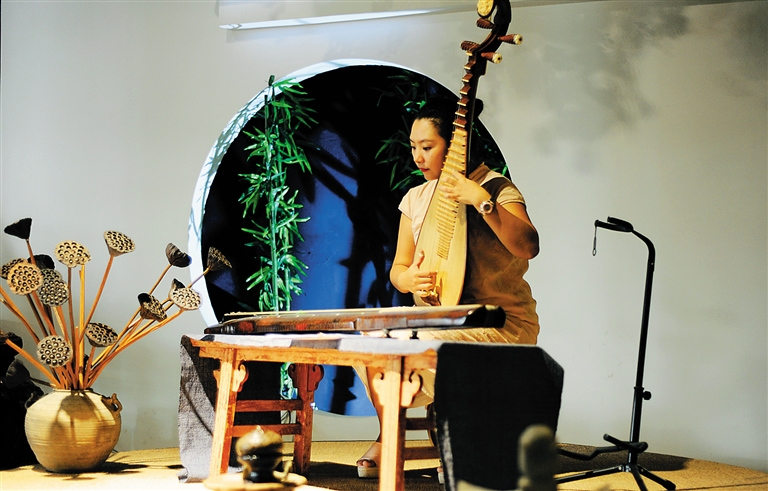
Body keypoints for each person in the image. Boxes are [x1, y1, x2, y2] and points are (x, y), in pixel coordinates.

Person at [355, 98, 541, 479]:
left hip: (499, 322)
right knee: (369, 338)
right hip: (438, 318)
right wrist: (407, 279)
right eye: (413, 147)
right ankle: (390, 434)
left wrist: (482, 201)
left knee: (423, 343)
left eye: (427, 147)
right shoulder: (416, 198)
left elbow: (528, 246)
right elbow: (399, 268)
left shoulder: (496, 187)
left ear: (456, 147)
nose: (417, 157)